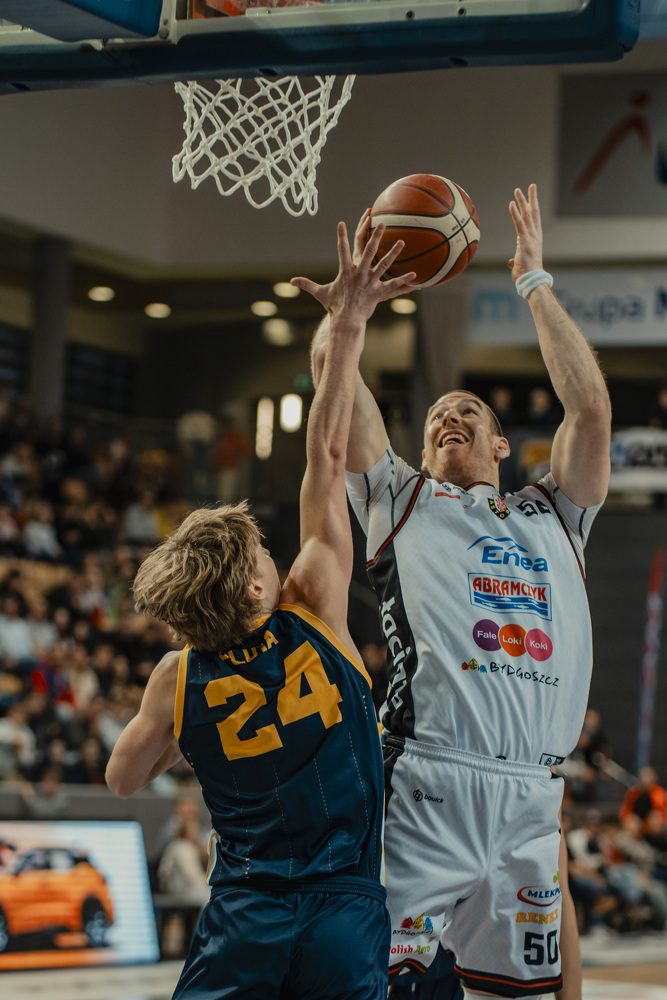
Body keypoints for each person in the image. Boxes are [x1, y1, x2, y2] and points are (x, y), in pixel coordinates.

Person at [301, 184, 611, 1000]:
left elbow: (589, 409)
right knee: (363, 983)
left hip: (531, 797)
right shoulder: (400, 498)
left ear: (503, 445)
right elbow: (336, 393)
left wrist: (533, 281)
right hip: (426, 778)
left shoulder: (556, 515)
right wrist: (348, 317)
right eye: (436, 413)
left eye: (466, 410)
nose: (447, 417)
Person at [106, 222, 415, 1000]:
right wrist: (349, 322)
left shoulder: (177, 677)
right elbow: (326, 454)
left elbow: (121, 779)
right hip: (342, 907)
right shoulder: (311, 606)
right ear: (253, 591)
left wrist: (190, 733)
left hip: (244, 911)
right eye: (260, 556)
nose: (275, 556)